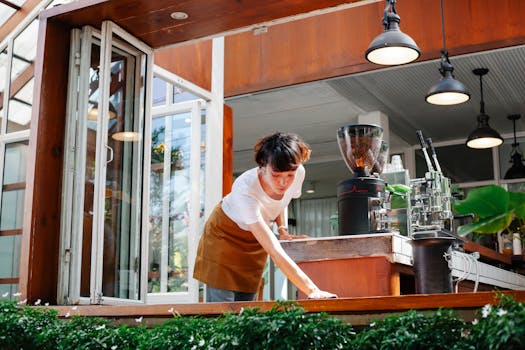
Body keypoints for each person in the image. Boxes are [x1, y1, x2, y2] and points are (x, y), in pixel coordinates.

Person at [193, 132, 337, 302]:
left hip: (255, 239)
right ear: (262, 166)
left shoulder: (298, 172)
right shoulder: (245, 188)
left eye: (289, 175)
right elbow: (274, 251)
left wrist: (283, 229)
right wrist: (312, 290)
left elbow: (281, 202)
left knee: (247, 305)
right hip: (224, 236)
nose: (283, 182)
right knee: (222, 310)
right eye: (276, 176)